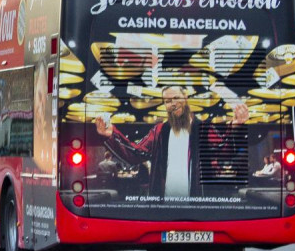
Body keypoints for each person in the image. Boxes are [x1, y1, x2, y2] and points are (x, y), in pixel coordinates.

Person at [95, 84, 249, 199]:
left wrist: (234, 127)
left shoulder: (203, 128)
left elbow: (223, 151)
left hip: (197, 203)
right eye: (167, 101)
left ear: (186, 99)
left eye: (176, 98)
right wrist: (112, 135)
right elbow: (136, 153)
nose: (172, 103)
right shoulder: (159, 131)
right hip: (164, 204)